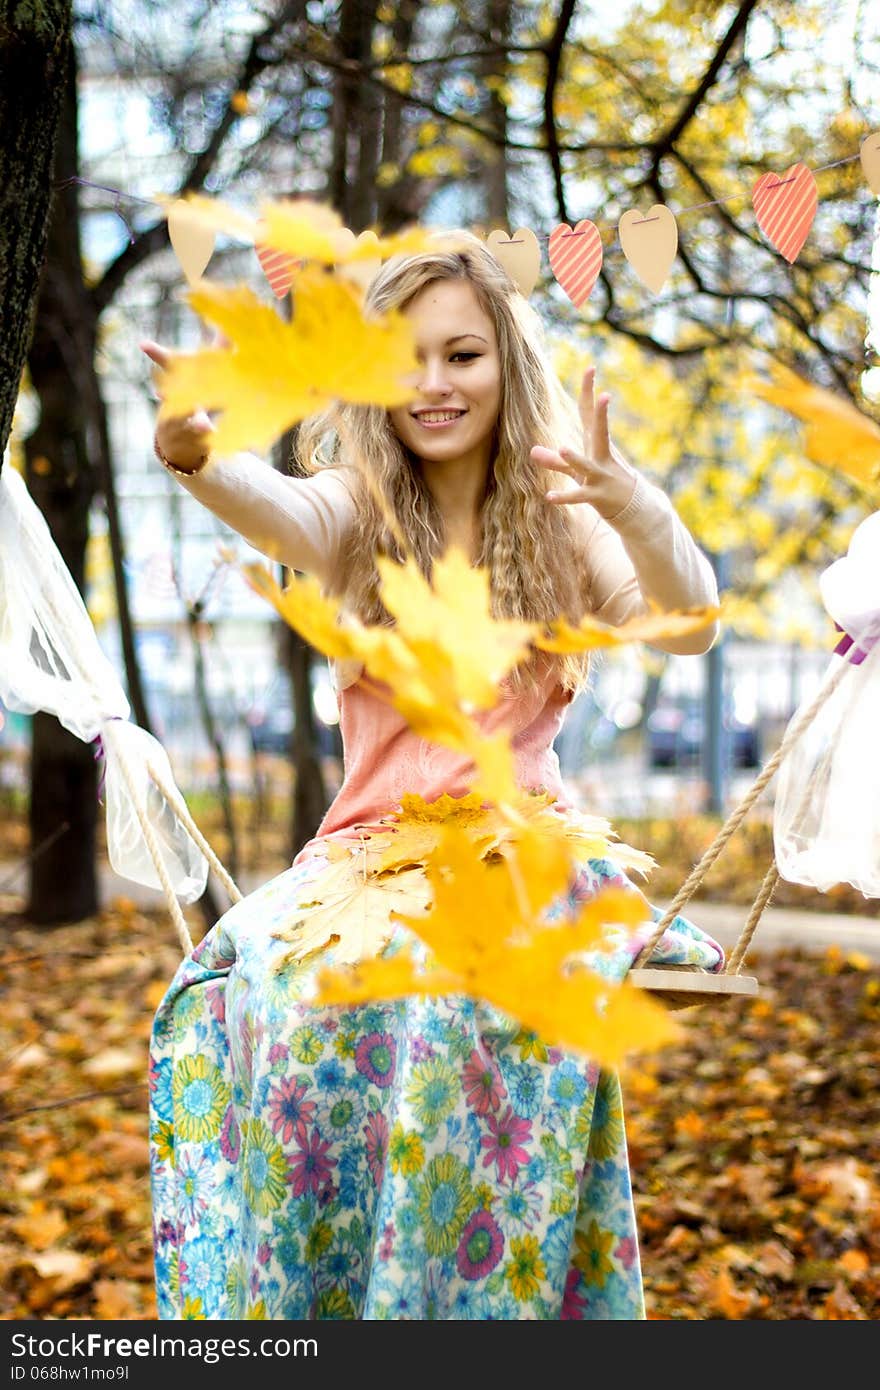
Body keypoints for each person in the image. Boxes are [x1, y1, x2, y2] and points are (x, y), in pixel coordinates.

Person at [142, 231, 723, 1321]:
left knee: (469, 992)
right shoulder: (357, 510)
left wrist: (633, 505)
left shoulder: (564, 515)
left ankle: (466, 1294)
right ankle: (322, 1295)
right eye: (405, 359)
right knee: (266, 993)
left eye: (461, 355)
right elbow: (270, 506)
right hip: (364, 861)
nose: (433, 383)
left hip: (518, 851)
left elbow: (686, 623)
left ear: (504, 360)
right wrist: (191, 452)